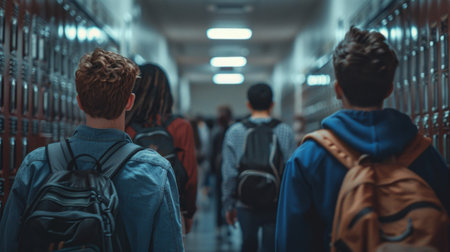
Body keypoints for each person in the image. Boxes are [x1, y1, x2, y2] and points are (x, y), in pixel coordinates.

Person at [275, 27, 450, 252]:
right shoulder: (425, 154)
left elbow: (291, 242)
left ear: (338, 90)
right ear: (389, 89)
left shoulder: (307, 159)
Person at [0, 48, 184, 251]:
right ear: (129, 102)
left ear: (79, 101)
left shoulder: (36, 164)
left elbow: (9, 242)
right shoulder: (155, 170)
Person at [222, 83, 296, 252]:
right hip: (274, 202)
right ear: (272, 104)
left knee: (248, 244)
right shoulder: (284, 130)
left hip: (245, 202)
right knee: (271, 246)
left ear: (248, 104)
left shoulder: (235, 131)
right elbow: (291, 172)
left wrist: (228, 205)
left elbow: (229, 173)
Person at [125, 63, 198, 234]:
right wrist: (188, 212)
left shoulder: (126, 126)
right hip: (171, 207)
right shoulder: (180, 126)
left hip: (132, 209)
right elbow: (190, 175)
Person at [210, 106, 233, 237]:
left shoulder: (216, 131)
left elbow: (211, 152)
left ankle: (220, 225)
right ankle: (226, 225)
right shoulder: (232, 130)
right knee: (227, 199)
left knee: (219, 199)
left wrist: (212, 169)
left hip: (219, 170)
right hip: (226, 170)